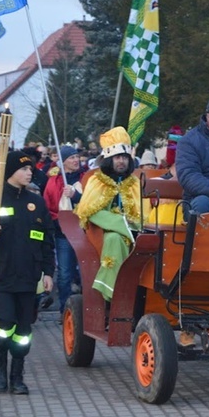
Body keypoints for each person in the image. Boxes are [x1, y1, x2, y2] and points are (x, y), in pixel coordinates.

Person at [0, 151, 55, 394]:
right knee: (4, 323)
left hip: (29, 277)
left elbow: (46, 239)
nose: (30, 173)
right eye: (25, 169)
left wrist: (48, 272)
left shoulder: (36, 202)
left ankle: (17, 375)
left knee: (24, 331)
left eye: (31, 170)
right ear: (11, 172)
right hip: (1, 276)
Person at [74, 127, 142, 302]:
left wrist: (133, 224)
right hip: (100, 233)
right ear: (109, 159)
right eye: (117, 157)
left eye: (125, 158)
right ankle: (114, 290)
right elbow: (89, 211)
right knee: (113, 239)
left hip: (133, 233)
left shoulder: (134, 183)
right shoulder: (97, 180)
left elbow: (143, 213)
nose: (121, 161)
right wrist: (121, 224)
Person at [43, 145, 84, 317]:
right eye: (71, 158)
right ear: (63, 162)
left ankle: (87, 312)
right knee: (65, 274)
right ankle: (65, 312)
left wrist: (76, 196)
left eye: (77, 157)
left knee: (86, 273)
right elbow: (49, 205)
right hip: (63, 234)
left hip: (85, 233)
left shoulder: (87, 179)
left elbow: (94, 202)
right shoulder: (54, 182)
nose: (76, 160)